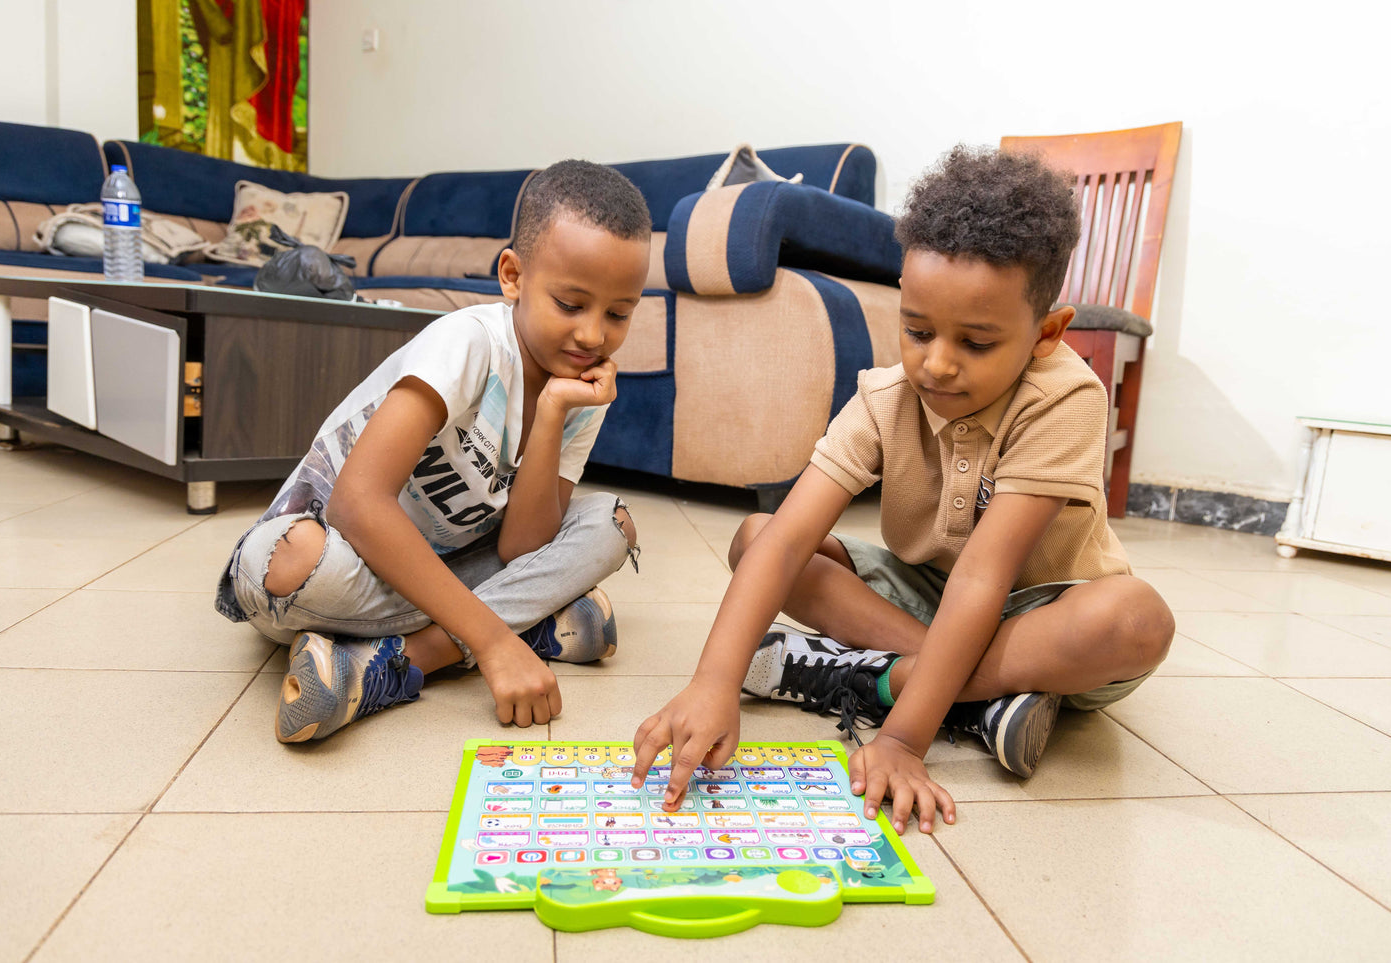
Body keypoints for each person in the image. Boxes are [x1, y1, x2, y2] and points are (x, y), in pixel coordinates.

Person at [631, 146, 1174, 834]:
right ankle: (984, 702)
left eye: (976, 343)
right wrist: (713, 682)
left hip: (1045, 613)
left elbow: (984, 577)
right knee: (757, 537)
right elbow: (789, 539)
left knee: (1135, 620)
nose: (936, 364)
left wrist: (901, 739)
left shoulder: (1065, 397)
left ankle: (875, 681)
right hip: (929, 595)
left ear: (1046, 333)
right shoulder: (886, 396)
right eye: (916, 330)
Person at [213, 160, 652, 742]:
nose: (593, 336)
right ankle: (527, 625)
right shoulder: (470, 342)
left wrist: (551, 414)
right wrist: (494, 643)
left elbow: (523, 548)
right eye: (571, 305)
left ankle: (395, 664)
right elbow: (355, 505)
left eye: (618, 314)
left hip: (443, 568)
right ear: (513, 277)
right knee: (286, 564)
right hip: (336, 561)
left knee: (610, 526)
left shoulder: (583, 387)